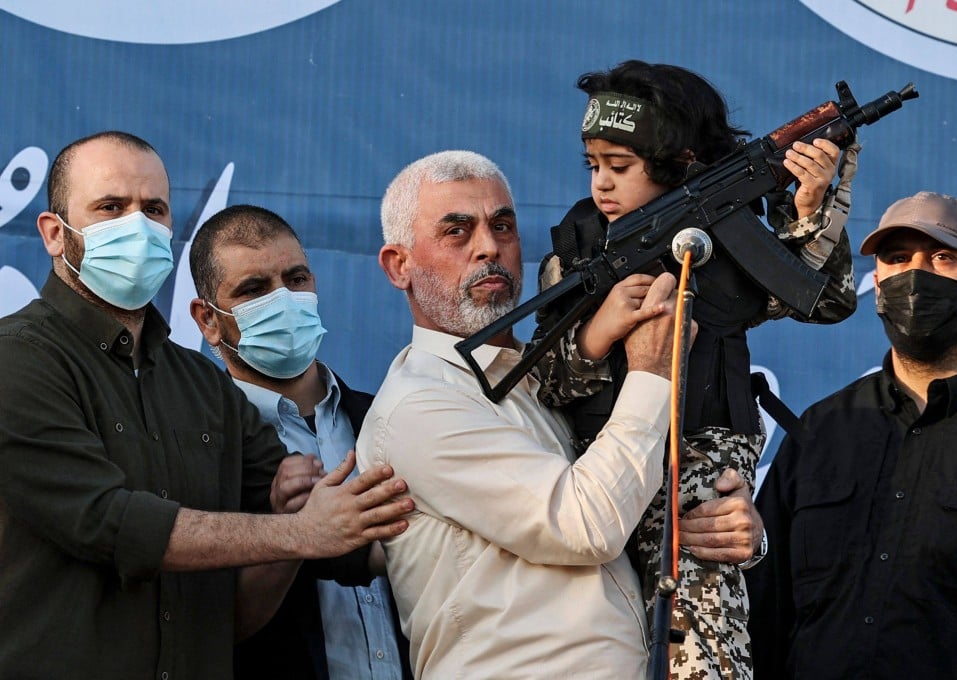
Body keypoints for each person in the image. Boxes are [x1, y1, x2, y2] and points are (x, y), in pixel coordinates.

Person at [0, 131, 413, 680]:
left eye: (154, 209)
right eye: (111, 207)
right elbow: (108, 521)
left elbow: (339, 537)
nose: (138, 225)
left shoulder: (202, 384)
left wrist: (484, 530)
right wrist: (298, 532)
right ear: (55, 233)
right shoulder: (18, 359)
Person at [531, 60, 859, 679]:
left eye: (619, 167)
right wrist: (599, 332)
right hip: (596, 475)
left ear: (678, 160)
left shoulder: (729, 238)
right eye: (593, 165)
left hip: (700, 472)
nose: (602, 184)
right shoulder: (577, 248)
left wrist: (808, 209)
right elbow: (544, 383)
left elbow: (824, 299)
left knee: (703, 647)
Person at [357, 149, 686, 678]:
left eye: (502, 226)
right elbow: (586, 524)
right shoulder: (418, 405)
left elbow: (630, 502)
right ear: (400, 266)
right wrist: (652, 369)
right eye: (456, 232)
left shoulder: (547, 375)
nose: (489, 248)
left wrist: (728, 520)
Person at [747, 191, 957, 678]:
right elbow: (762, 613)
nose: (916, 276)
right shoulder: (821, 429)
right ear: (877, 279)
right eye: (896, 259)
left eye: (943, 257)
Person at [188, 203, 411, 680]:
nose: (285, 300)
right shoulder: (194, 442)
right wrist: (289, 531)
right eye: (254, 289)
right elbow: (206, 625)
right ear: (208, 320)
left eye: (296, 279)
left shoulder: (389, 417)